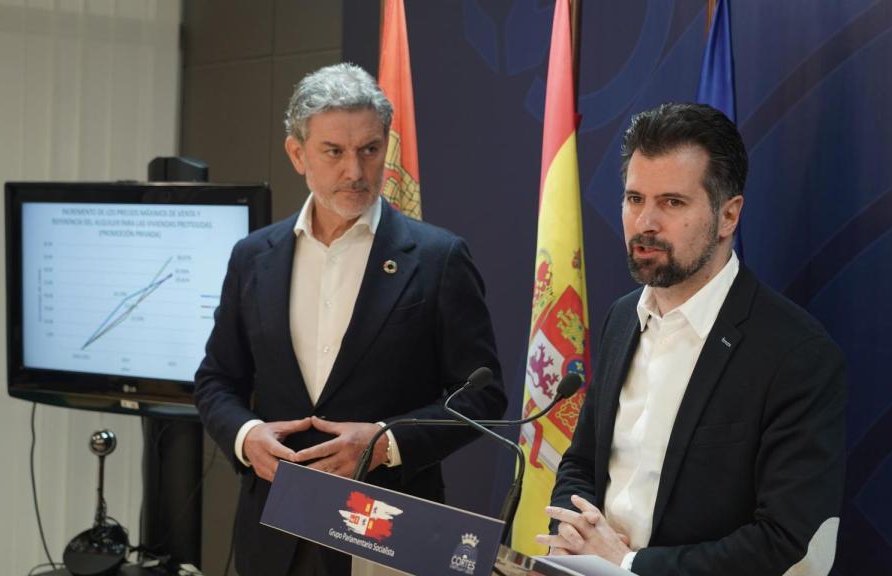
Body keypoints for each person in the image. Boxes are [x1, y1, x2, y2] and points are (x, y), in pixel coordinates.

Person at [194, 63, 507, 576]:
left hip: (386, 531)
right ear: (298, 154)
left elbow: (483, 397)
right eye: (333, 152)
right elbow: (215, 380)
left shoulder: (438, 257)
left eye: (369, 149)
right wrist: (246, 436)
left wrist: (387, 443)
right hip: (273, 531)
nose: (355, 172)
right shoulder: (253, 257)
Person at [537, 103, 846, 575]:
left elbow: (785, 539)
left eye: (672, 203)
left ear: (728, 216)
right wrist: (577, 532)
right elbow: (582, 460)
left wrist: (629, 563)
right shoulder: (622, 318)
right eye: (634, 198)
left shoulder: (796, 353)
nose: (645, 223)